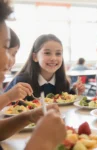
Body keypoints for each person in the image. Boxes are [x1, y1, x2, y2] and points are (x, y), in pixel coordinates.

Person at [0, 0, 66, 149]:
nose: (12, 61)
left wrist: (28, 116)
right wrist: (42, 143)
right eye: (6, 48)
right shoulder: (22, 80)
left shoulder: (62, 80)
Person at [5, 34, 85, 99]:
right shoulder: (21, 82)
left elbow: (64, 103)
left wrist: (74, 92)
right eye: (47, 53)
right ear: (35, 57)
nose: (53, 58)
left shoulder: (63, 82)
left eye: (58, 53)